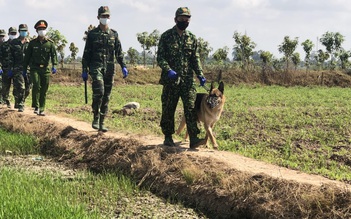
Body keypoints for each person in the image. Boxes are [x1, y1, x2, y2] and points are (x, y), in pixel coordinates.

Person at [157, 7, 207, 149]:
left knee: (191, 108)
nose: (184, 21)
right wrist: (168, 70)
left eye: (187, 19)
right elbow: (160, 57)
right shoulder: (166, 37)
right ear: (175, 19)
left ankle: (194, 138)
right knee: (168, 108)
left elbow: (195, 59)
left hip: (187, 80)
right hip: (171, 80)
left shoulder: (192, 38)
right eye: (181, 18)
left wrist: (200, 74)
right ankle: (168, 136)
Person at [82, 6, 128, 132]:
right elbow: (87, 53)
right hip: (96, 67)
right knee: (99, 92)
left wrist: (123, 65)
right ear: (98, 18)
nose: (105, 18)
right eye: (103, 16)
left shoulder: (114, 34)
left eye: (107, 16)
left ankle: (102, 122)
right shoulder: (92, 34)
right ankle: (95, 117)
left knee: (106, 96)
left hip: (109, 68)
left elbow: (119, 52)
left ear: (110, 17)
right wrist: (84, 70)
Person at [23, 20, 58, 116]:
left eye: (43, 29)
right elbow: (27, 57)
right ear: (37, 31)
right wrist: (24, 69)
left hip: (45, 69)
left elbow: (54, 55)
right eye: (40, 29)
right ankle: (36, 106)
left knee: (44, 89)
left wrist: (54, 65)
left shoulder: (50, 43)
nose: (42, 30)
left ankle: (42, 108)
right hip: (35, 68)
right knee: (36, 85)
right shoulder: (32, 43)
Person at [10, 24, 30, 112]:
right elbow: (10, 56)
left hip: (28, 68)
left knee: (28, 89)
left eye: (25, 30)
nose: (24, 32)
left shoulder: (30, 43)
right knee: (21, 87)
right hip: (17, 68)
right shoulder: (14, 43)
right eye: (22, 30)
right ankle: (21, 104)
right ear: (19, 31)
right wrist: (10, 68)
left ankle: (20, 101)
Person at [0, 27, 17, 108]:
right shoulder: (4, 45)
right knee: (5, 86)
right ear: (9, 33)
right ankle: (7, 101)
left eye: (14, 33)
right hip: (6, 68)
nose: (13, 35)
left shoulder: (18, 44)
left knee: (18, 87)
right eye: (12, 33)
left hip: (16, 69)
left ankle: (18, 102)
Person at [0, 29, 6, 105]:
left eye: (3, 36)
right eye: (0, 36)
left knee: (4, 84)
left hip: (5, 67)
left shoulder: (5, 45)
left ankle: (3, 99)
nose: (2, 38)